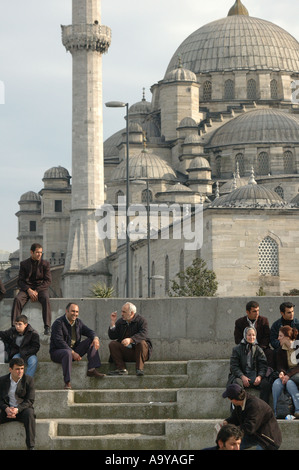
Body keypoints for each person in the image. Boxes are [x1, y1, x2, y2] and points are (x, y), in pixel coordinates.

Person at [50, 302, 105, 389]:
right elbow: (59, 342)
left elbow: (89, 331)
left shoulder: (78, 322)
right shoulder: (58, 323)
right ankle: (67, 382)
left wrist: (95, 338)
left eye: (76, 312)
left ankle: (91, 369)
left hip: (74, 350)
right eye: (73, 311)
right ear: (66, 311)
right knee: (67, 352)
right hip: (58, 352)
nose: (75, 314)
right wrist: (72, 352)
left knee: (91, 340)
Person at [222, 383, 282, 450]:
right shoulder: (239, 404)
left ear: (234, 399)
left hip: (267, 439)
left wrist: (231, 431)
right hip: (253, 435)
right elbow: (235, 417)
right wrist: (227, 421)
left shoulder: (254, 405)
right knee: (228, 445)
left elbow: (249, 427)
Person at [11, 243, 52, 335]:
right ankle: (14, 327)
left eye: (41, 252)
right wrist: (29, 290)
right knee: (17, 299)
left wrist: (36, 291)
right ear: (31, 252)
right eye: (37, 252)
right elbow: (20, 281)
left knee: (46, 299)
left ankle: (47, 327)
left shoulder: (45, 264)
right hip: (26, 289)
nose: (39, 254)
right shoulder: (24, 264)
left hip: (40, 289)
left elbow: (48, 281)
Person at [228, 326, 271, 403]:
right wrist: (242, 376)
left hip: (254, 376)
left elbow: (263, 365)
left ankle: (262, 408)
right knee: (236, 385)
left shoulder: (258, 349)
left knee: (266, 385)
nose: (251, 337)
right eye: (249, 335)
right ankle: (237, 409)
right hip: (241, 376)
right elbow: (234, 366)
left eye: (253, 335)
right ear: (245, 335)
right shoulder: (237, 349)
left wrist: (260, 376)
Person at [108, 302, 153, 376]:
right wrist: (113, 323)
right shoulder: (120, 321)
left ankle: (139, 369)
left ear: (131, 313)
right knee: (112, 344)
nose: (122, 314)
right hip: (127, 352)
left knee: (141, 343)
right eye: (121, 311)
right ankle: (121, 369)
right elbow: (112, 336)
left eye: (124, 312)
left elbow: (143, 334)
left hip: (141, 353)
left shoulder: (141, 321)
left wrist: (131, 340)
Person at [0, 357, 36, 450]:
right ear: (10, 369)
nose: (20, 371)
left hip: (21, 410)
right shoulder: (2, 380)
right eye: (17, 369)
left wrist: (17, 409)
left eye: (22, 369)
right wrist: (6, 408)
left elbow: (30, 400)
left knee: (30, 414)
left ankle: (30, 447)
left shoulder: (29, 380)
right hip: (6, 411)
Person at [234, 301, 273, 367]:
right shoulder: (239, 322)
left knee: (270, 353)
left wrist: (259, 348)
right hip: (245, 348)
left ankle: (268, 374)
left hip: (261, 347)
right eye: (254, 311)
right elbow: (237, 339)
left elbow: (267, 336)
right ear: (247, 312)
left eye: (258, 311)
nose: (257, 313)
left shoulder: (263, 320)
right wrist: (247, 348)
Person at [272, 325, 299, 418]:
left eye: (280, 336)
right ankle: (276, 412)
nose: (278, 338)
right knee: (276, 384)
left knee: (290, 383)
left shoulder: (297, 346)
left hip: (296, 374)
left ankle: (298, 410)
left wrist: (288, 375)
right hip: (288, 374)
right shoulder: (281, 350)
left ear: (287, 337)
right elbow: (280, 365)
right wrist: (282, 372)